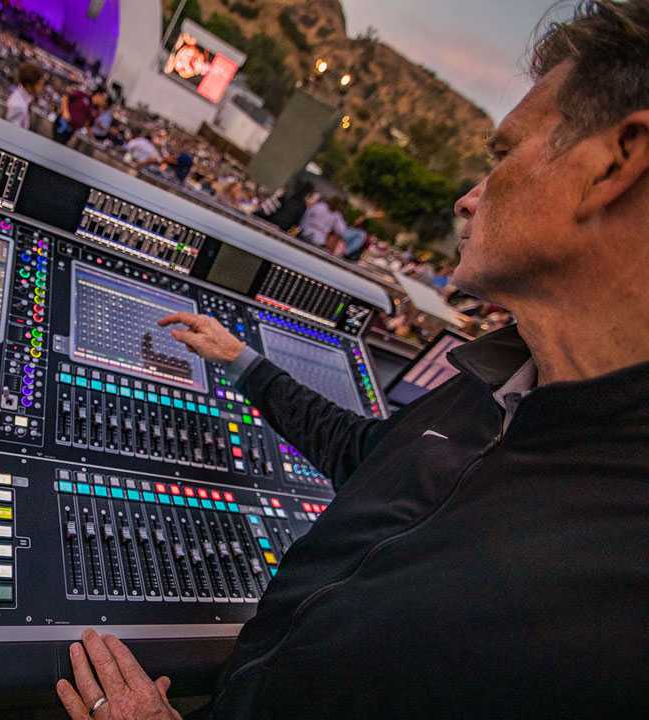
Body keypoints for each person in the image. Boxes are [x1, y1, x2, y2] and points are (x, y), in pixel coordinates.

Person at [55, 2, 649, 718]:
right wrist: (244, 362)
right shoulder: (497, 385)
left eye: (503, 154)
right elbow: (374, 455)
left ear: (618, 158)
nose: (467, 199)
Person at [5, 62, 45, 130]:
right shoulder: (18, 106)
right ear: (28, 86)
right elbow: (12, 133)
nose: (42, 88)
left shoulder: (24, 98)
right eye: (39, 84)